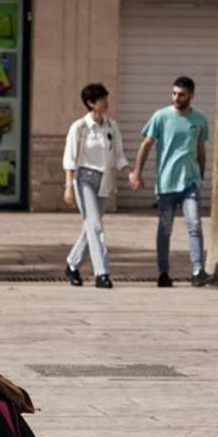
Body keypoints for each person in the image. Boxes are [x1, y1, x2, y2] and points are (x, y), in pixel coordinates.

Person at [129, 76, 211, 288]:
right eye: (174, 93)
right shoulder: (161, 116)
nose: (177, 97)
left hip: (190, 183)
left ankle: (197, 271)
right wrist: (137, 173)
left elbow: (201, 149)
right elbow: (146, 144)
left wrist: (201, 173)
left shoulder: (199, 120)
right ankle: (163, 273)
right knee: (165, 230)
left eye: (181, 94)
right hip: (166, 183)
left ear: (191, 95)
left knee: (194, 225)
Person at [62, 83, 132, 289]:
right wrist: (68, 186)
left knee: (91, 227)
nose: (106, 102)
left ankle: (72, 265)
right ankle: (102, 273)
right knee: (96, 226)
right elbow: (70, 158)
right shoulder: (79, 128)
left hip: (104, 180)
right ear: (91, 103)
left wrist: (129, 172)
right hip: (84, 179)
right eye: (102, 99)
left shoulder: (111, 126)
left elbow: (119, 155)